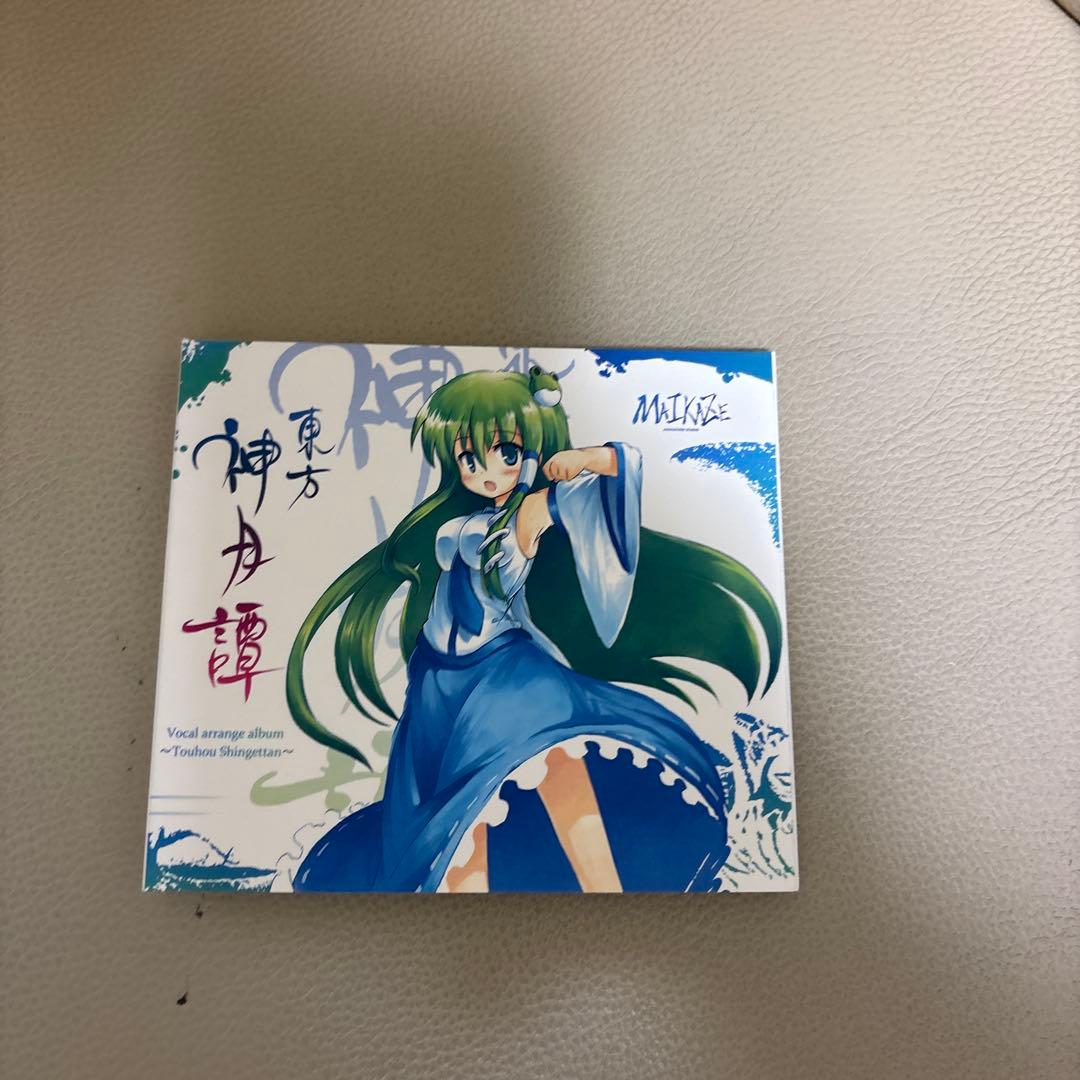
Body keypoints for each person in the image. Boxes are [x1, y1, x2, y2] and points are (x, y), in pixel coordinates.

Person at [286, 366, 782, 892]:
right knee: (448, 816)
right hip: (436, 682)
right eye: (469, 458)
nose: (484, 471)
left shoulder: (529, 513)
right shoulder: (463, 523)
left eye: (503, 451)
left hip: (502, 675)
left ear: (530, 450)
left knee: (541, 766)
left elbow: (621, 469)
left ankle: (604, 887)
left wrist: (586, 458)